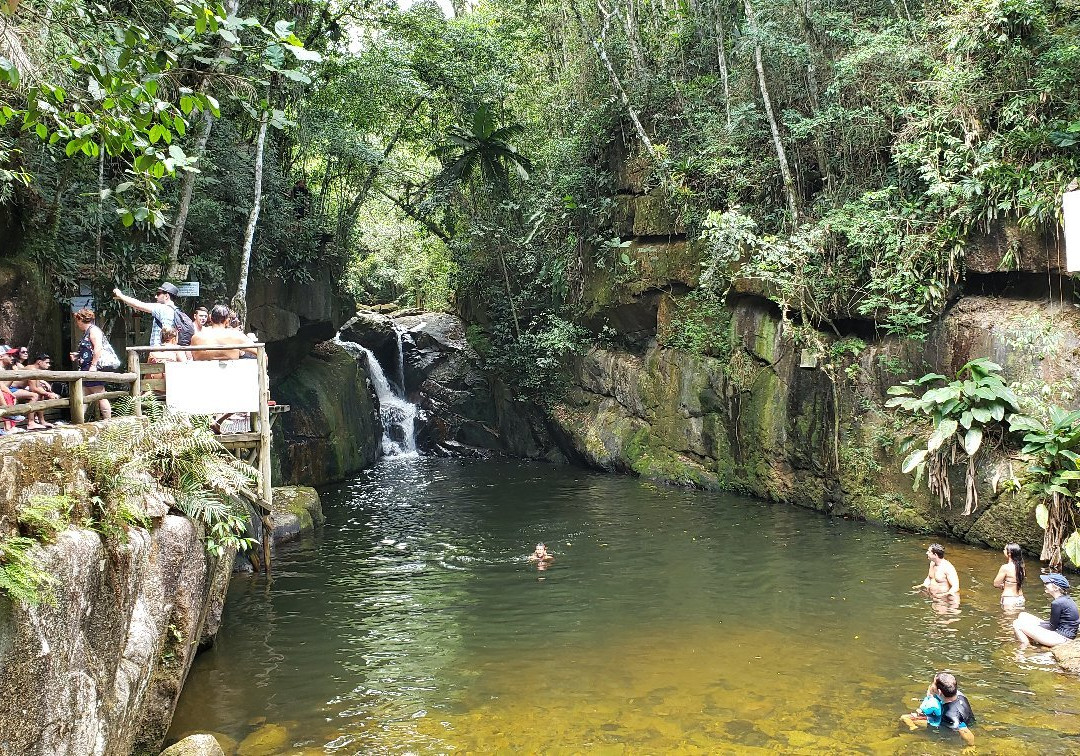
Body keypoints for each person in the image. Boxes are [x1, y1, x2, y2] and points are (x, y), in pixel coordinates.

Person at [901, 672, 975, 745]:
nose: (931, 685)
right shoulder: (960, 695)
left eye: (933, 683)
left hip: (948, 728)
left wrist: (970, 746)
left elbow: (964, 730)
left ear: (939, 692)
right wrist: (931, 695)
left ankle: (915, 731)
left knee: (905, 718)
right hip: (967, 719)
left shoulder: (950, 715)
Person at [1012, 573, 1079, 649]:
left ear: (1055, 587)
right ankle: (1032, 641)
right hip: (1063, 634)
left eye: (1047, 583)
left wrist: (1034, 626)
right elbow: (1054, 624)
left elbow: (1051, 627)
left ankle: (1026, 647)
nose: (1044, 584)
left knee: (1017, 624)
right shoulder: (1066, 599)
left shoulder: (1057, 603)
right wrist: (1035, 625)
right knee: (1023, 615)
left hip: (1061, 638)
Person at [70, 308, 113, 420]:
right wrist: (78, 355)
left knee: (100, 394)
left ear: (80, 320)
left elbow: (98, 348)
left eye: (77, 320)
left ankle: (108, 421)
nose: (77, 323)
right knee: (83, 395)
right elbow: (89, 350)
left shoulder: (94, 331)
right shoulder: (87, 331)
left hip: (93, 368)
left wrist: (93, 366)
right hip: (86, 367)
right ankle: (79, 420)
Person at [113, 282, 181, 346]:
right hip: (171, 350)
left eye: (158, 294)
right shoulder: (176, 310)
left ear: (166, 296)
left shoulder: (161, 308)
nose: (156, 297)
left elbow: (138, 305)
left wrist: (120, 295)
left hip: (159, 351)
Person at [190, 304, 256, 360]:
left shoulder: (196, 338)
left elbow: (192, 358)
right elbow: (261, 353)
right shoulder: (237, 336)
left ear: (210, 318)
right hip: (231, 373)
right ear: (227, 321)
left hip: (203, 373)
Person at [24, 353, 59, 429]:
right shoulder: (31, 370)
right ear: (39, 362)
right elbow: (33, 388)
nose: (49, 365)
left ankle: (42, 421)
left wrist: (50, 393)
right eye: (47, 363)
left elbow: (38, 388)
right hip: (13, 389)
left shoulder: (36, 371)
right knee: (34, 395)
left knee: (41, 395)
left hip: (22, 389)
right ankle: (31, 422)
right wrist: (48, 394)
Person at [993, 543, 1026, 609]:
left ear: (1009, 553)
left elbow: (996, 584)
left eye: (1005, 549)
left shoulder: (1005, 567)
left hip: (1009, 599)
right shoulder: (1022, 567)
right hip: (1020, 598)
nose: (1003, 551)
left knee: (1006, 619)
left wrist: (1004, 586)